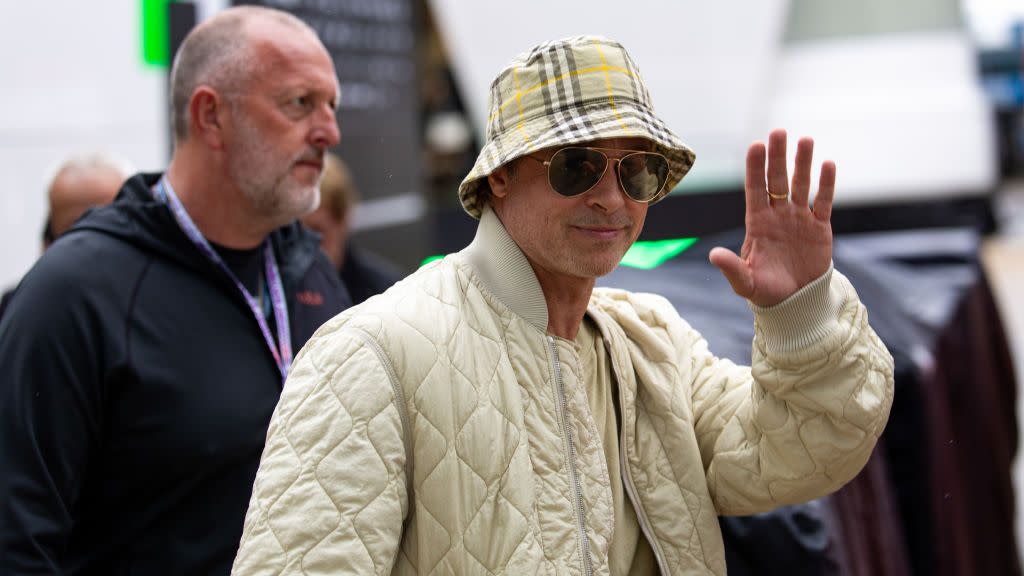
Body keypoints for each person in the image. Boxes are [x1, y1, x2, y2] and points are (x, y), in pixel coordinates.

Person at [233, 35, 894, 575]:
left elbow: (798, 457)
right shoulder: (371, 353)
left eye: (638, 170)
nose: (611, 197)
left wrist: (802, 315)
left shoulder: (650, 339)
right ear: (499, 175)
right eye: (575, 166)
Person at [0, 6, 350, 574]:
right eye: (299, 103)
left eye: (331, 105)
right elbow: (18, 542)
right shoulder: (76, 294)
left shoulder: (309, 272)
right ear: (211, 116)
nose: (329, 132)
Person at [0, 153, 129, 320]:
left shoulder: (154, 300)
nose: (91, 242)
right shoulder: (19, 309)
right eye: (75, 227)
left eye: (107, 225)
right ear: (48, 240)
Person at [301, 151, 403, 304]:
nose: (305, 244)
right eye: (294, 232)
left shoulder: (386, 293)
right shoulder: (280, 287)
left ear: (343, 222)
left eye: (317, 231)